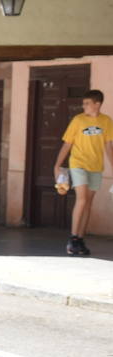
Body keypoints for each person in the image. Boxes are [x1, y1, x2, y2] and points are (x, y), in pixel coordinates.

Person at [52, 88, 113, 256]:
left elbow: (109, 146)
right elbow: (67, 144)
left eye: (87, 103)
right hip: (78, 164)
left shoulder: (107, 121)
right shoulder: (78, 121)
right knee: (82, 198)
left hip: (96, 166)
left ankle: (80, 239)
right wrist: (57, 165)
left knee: (88, 203)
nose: (83, 106)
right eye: (83, 103)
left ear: (97, 104)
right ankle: (72, 239)